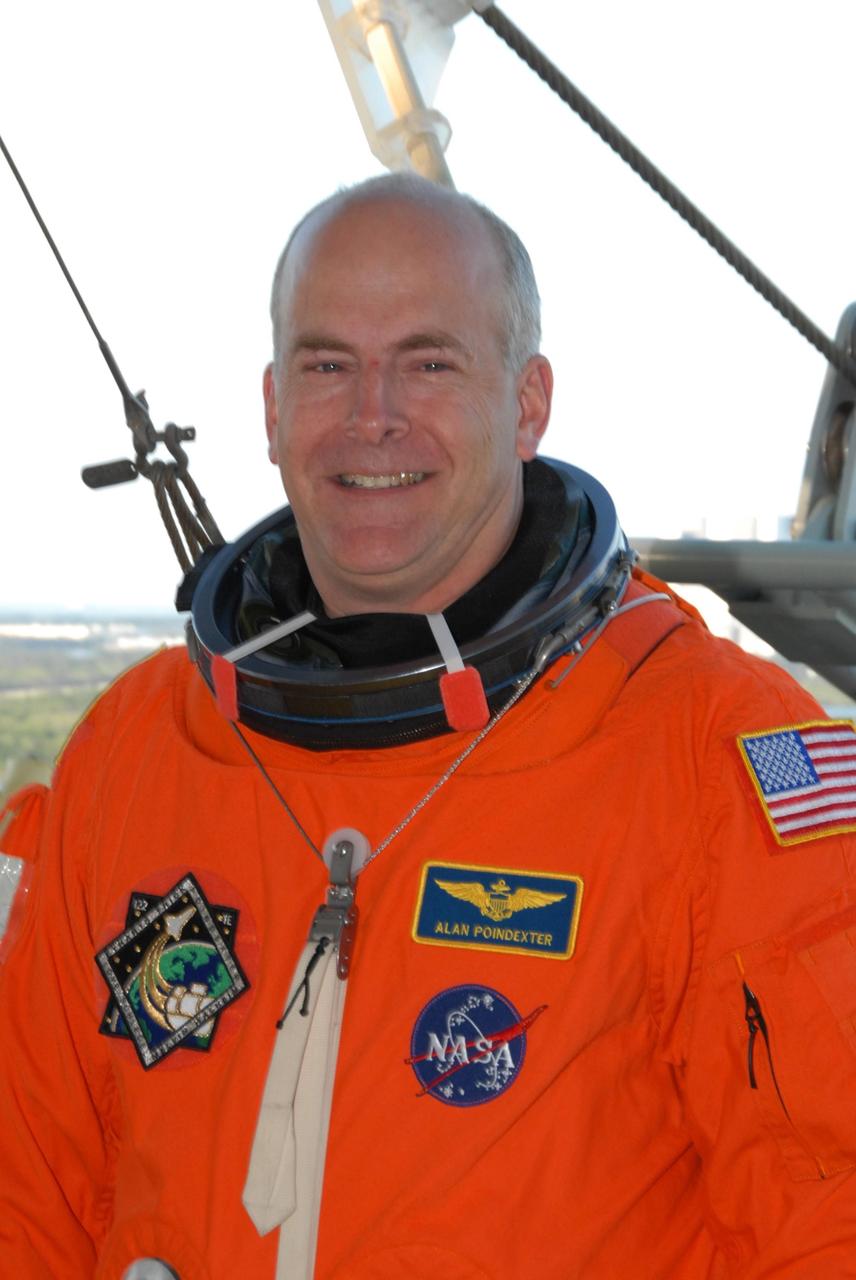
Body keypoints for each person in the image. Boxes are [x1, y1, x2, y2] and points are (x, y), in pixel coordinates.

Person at [1, 173, 855, 1280]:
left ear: (529, 401)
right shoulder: (136, 754)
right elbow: (30, 1195)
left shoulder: (711, 751)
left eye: (429, 362)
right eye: (327, 365)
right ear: (271, 408)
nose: (373, 416)